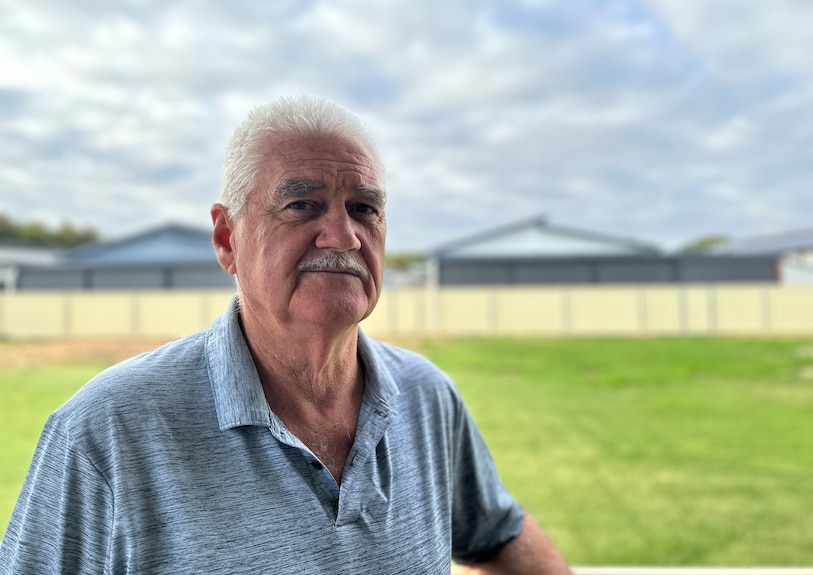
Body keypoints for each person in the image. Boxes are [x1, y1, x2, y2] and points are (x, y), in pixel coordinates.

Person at [0, 95, 571, 574]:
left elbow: (497, 534)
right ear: (227, 239)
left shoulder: (426, 396)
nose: (342, 235)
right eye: (302, 205)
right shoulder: (107, 432)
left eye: (364, 208)